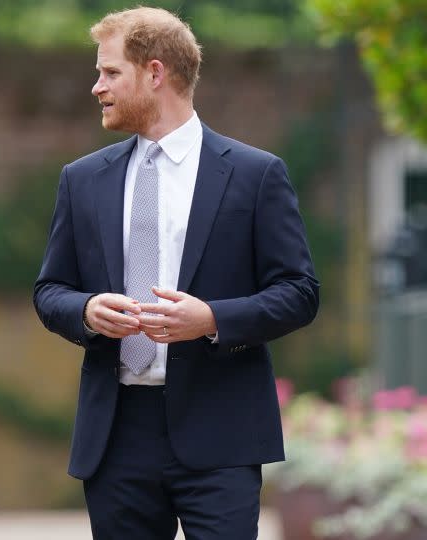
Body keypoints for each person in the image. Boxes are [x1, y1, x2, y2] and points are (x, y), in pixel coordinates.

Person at [33, 7, 319, 539]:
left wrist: (211, 318)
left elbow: (300, 292)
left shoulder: (256, 175)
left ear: (156, 73)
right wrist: (88, 311)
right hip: (116, 435)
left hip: (222, 431)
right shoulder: (82, 180)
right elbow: (50, 291)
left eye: (110, 72)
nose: (97, 87)